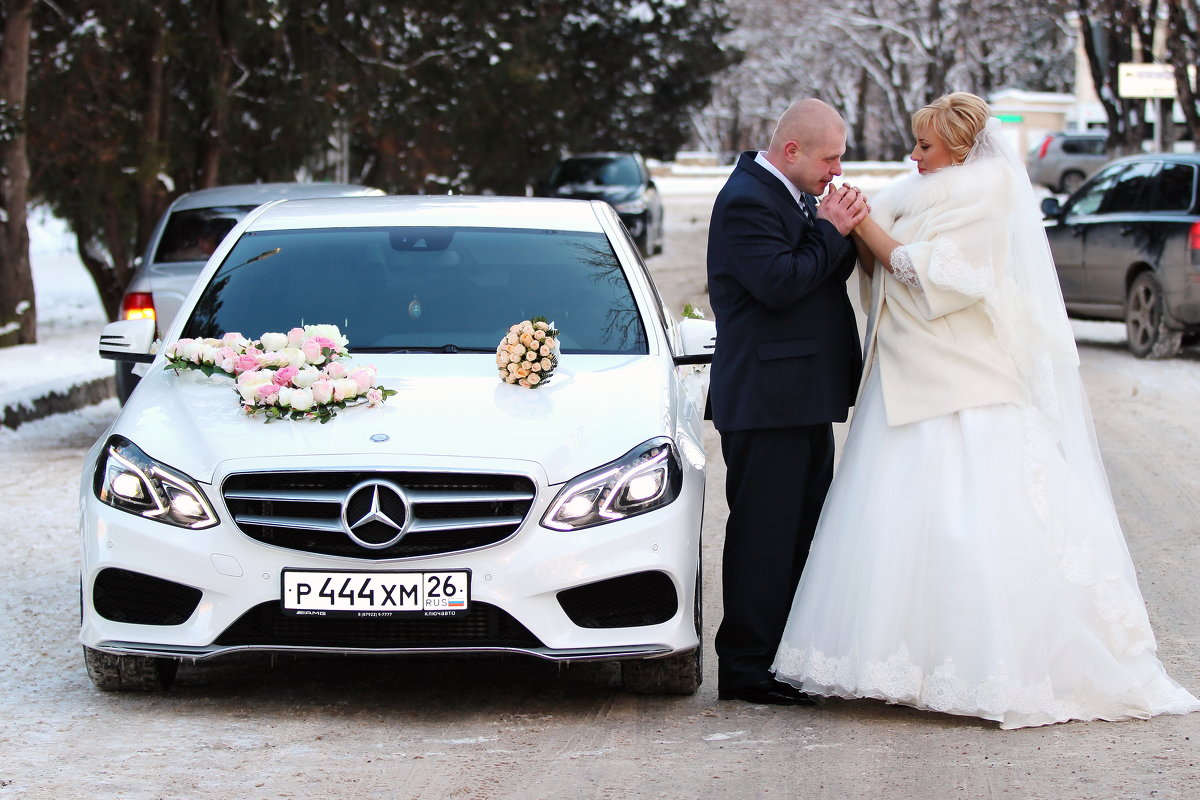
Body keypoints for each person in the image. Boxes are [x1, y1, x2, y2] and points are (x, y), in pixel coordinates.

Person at [772, 92, 1200, 728]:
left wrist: (860, 223)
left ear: (962, 150)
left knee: (969, 519)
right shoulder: (914, 193)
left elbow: (924, 269)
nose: (913, 156)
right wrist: (857, 227)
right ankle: (896, 658)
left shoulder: (986, 195)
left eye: (926, 146)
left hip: (961, 375)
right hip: (906, 372)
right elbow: (879, 261)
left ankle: (990, 662)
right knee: (896, 522)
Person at [706, 98, 870, 705]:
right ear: (793, 150)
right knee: (763, 537)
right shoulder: (747, 198)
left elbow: (821, 268)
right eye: (830, 157)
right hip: (766, 399)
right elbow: (780, 283)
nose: (837, 168)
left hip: (801, 397)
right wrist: (830, 228)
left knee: (801, 531)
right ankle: (747, 669)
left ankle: (787, 658)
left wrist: (840, 229)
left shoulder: (795, 194)